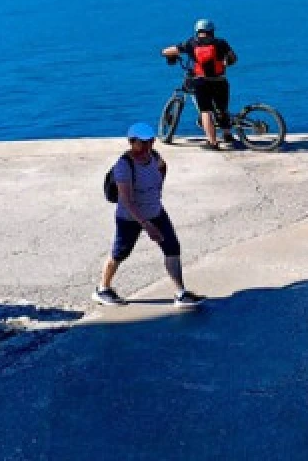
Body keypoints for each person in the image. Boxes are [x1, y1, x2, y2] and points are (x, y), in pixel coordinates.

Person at [93, 123, 205, 308]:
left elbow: (162, 167)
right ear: (131, 142)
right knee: (120, 253)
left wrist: (157, 189)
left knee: (172, 248)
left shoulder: (154, 156)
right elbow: (127, 201)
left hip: (156, 211)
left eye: (150, 142)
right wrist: (146, 225)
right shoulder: (124, 165)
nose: (147, 148)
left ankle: (181, 293)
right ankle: (102, 289)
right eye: (142, 143)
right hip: (130, 218)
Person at [162, 19, 238, 150]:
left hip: (202, 81)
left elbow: (167, 51)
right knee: (222, 109)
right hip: (220, 80)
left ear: (197, 30)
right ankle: (227, 134)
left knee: (205, 111)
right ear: (212, 31)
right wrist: (225, 63)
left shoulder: (191, 43)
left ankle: (213, 142)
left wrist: (166, 54)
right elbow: (233, 58)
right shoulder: (221, 43)